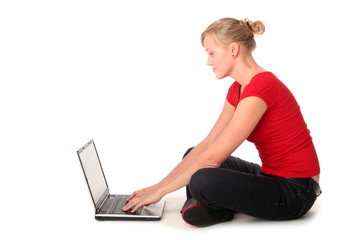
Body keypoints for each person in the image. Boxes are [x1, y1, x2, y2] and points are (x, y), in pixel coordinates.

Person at [123, 17, 321, 227]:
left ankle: (210, 203)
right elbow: (209, 143)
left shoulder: (262, 87)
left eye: (211, 53)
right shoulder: (238, 88)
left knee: (201, 179)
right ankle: (213, 204)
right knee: (192, 154)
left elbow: (214, 159)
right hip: (270, 175)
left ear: (233, 50)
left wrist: (159, 192)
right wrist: (157, 185)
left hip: (295, 192)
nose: (209, 62)